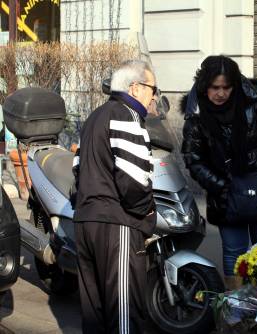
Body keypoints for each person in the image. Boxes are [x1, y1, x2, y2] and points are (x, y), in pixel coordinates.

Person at [181, 55, 257, 289]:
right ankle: (236, 314)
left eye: (226, 87)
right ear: (205, 85)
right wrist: (220, 185)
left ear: (235, 84)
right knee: (234, 256)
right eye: (215, 87)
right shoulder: (196, 116)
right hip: (226, 197)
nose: (221, 93)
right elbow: (194, 161)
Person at [72, 59, 157, 333]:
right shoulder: (127, 115)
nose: (154, 95)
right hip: (117, 225)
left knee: (94, 314)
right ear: (135, 88)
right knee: (125, 316)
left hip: (86, 223)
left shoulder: (95, 116)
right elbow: (133, 183)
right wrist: (148, 214)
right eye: (152, 89)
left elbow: (77, 170)